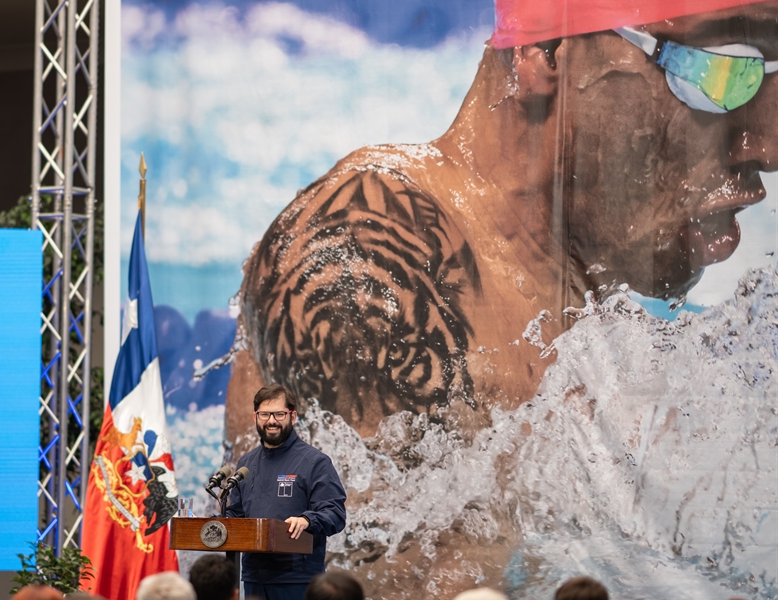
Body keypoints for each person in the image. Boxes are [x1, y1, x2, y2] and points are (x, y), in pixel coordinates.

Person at [225, 0, 778, 444]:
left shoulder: (586, 314)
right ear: (546, 52)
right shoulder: (366, 250)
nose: (768, 147)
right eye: (723, 72)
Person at [224, 384, 347, 600]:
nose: (271, 421)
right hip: (253, 578)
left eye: (279, 414)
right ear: (255, 416)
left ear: (293, 416)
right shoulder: (246, 464)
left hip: (297, 579)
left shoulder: (315, 462)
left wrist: (307, 520)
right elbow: (236, 516)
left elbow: (335, 514)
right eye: (264, 414)